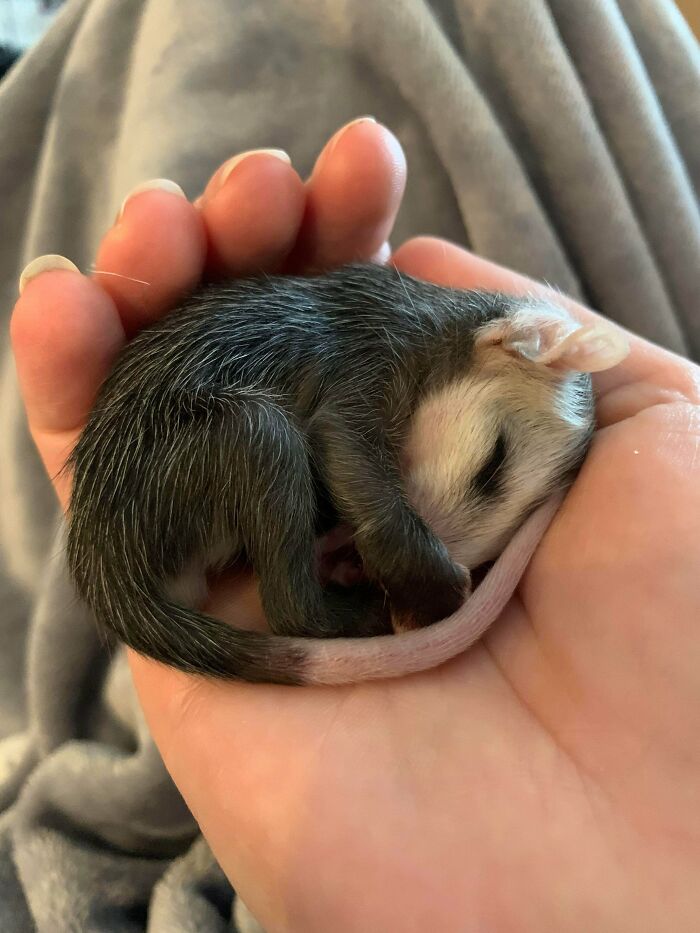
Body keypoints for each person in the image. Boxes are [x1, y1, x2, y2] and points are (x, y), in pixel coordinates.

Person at [11, 119, 700, 932]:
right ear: (513, 345)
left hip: (188, 494)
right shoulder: (391, 338)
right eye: (488, 465)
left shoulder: (432, 375)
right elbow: (344, 440)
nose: (472, 543)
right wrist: (408, 554)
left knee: (276, 441)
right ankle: (304, 610)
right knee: (265, 437)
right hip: (165, 485)